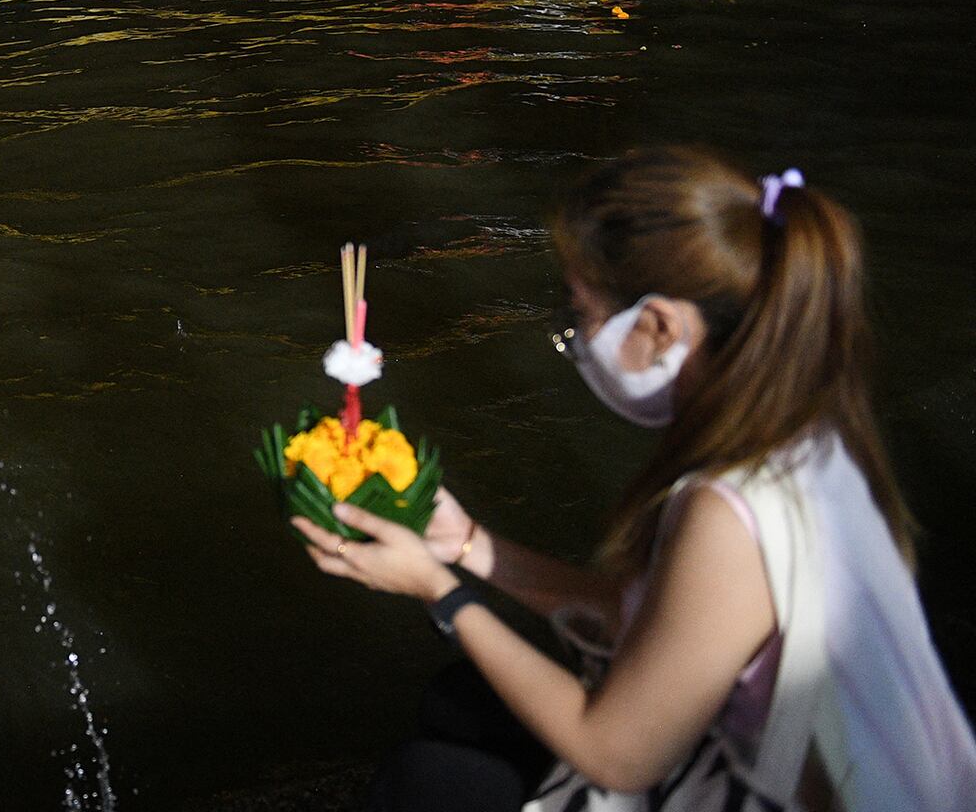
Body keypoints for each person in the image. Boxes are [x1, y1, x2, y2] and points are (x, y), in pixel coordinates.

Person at [292, 146, 976, 810]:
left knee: (427, 781)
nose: (575, 341)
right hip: (813, 761)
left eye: (581, 316)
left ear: (658, 325)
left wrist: (434, 589)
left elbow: (618, 754)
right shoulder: (807, 427)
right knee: (460, 702)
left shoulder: (729, 507)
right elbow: (656, 619)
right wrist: (466, 544)